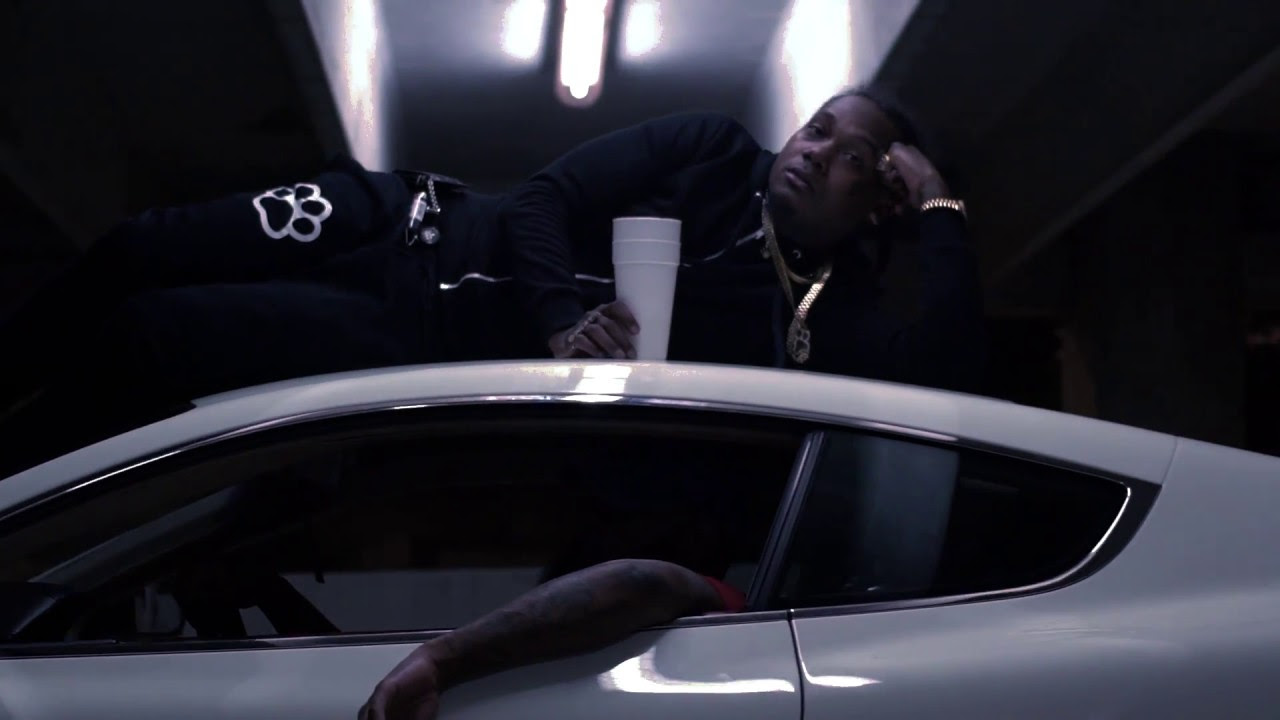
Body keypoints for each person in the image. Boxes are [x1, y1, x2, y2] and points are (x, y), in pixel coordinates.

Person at [0, 84, 982, 474]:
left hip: (403, 336)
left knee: (156, 335)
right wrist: (561, 321)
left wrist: (940, 206)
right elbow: (541, 200)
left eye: (853, 158)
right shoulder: (715, 152)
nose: (814, 151)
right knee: (138, 249)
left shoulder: (820, 320)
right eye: (816, 128)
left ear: (880, 201)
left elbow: (941, 376)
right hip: (393, 216)